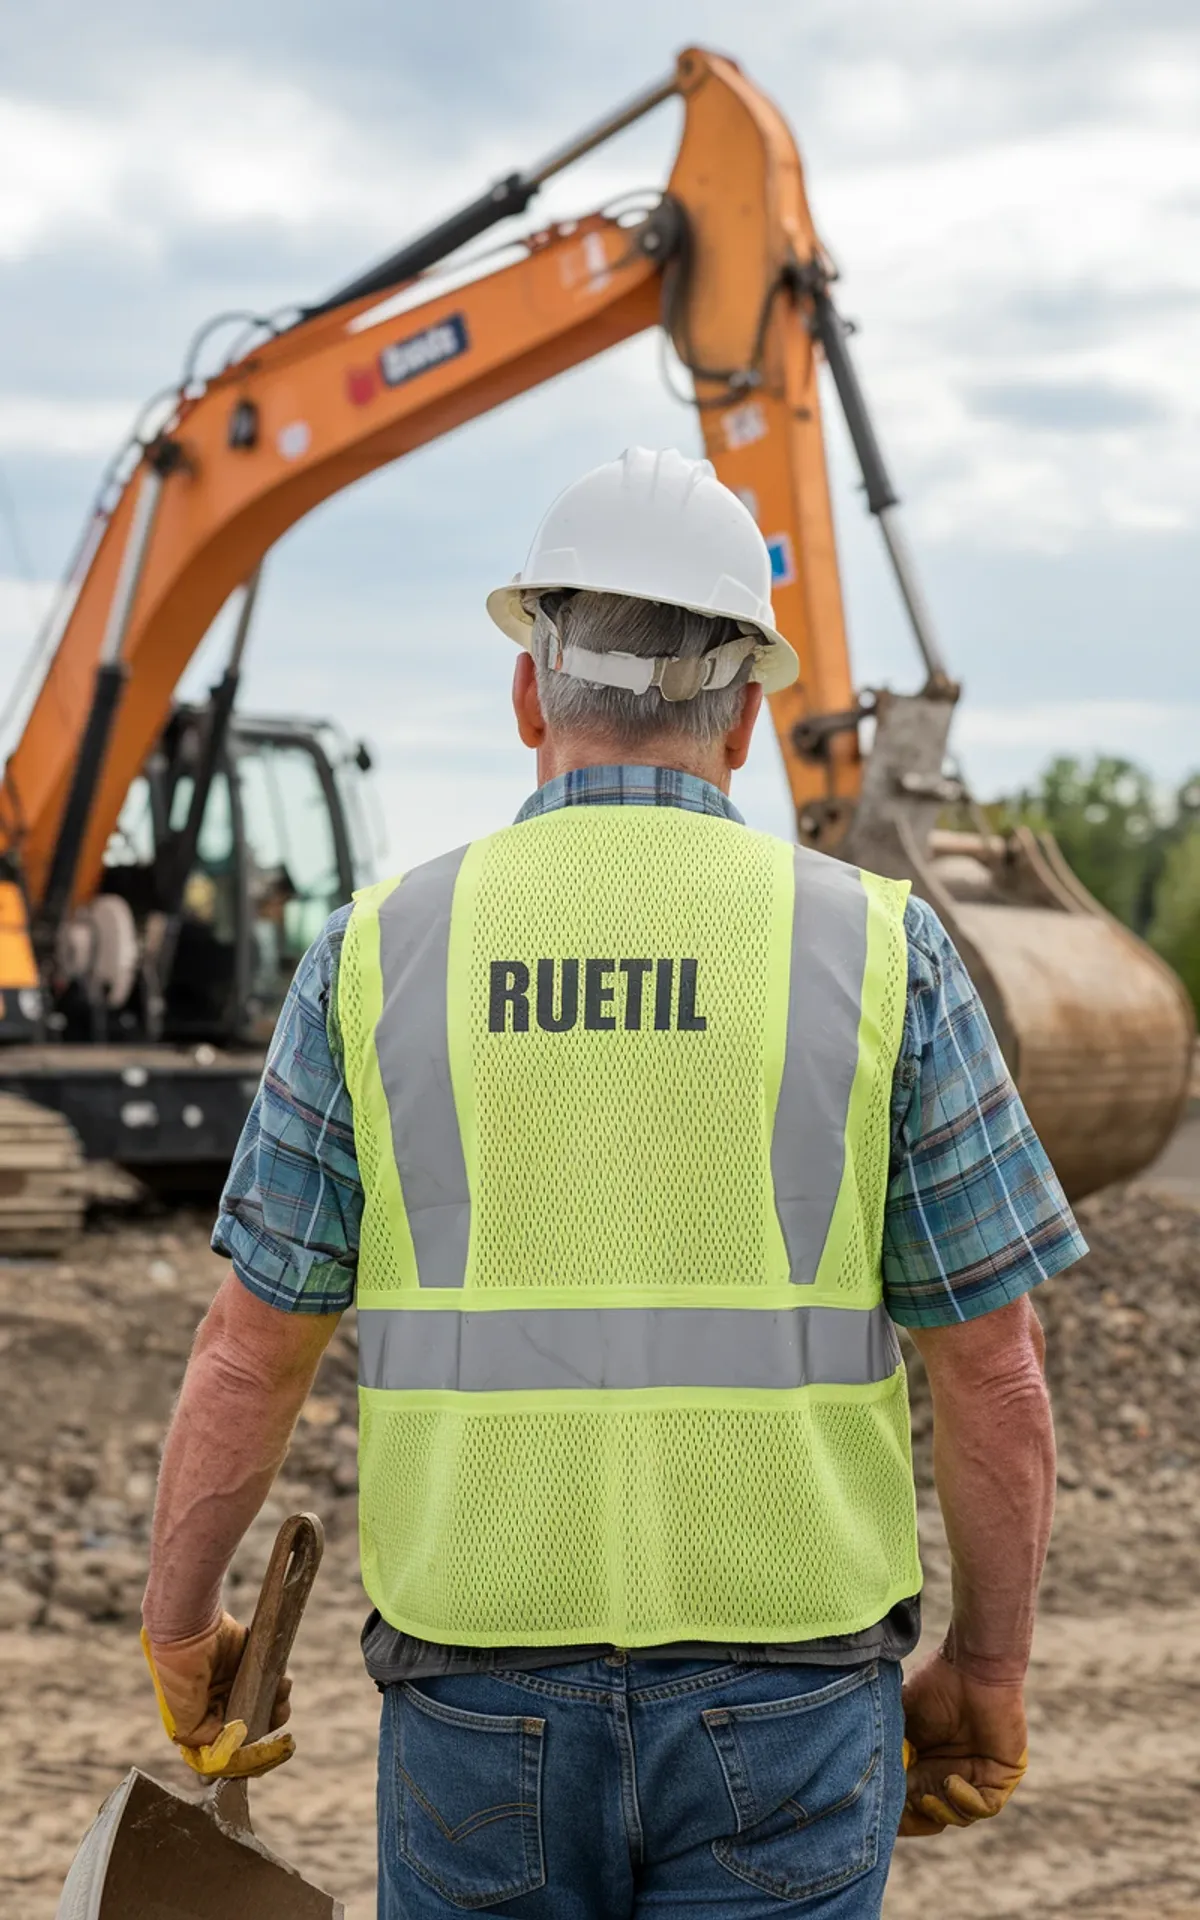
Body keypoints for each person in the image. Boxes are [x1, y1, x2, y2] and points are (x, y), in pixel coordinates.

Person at [142, 448, 1084, 1917]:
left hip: (475, 1703)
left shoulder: (380, 954)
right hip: (793, 1696)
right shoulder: (884, 954)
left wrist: (181, 1615)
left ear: (532, 692)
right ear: (751, 717)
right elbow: (996, 1372)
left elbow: (250, 1349)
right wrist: (991, 1664)